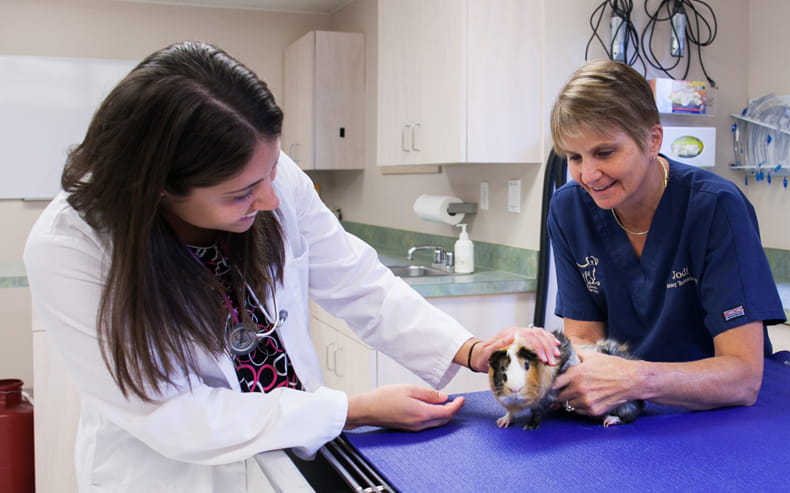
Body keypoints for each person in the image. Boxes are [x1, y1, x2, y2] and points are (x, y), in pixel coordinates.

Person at [23, 41, 560, 492]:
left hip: (294, 446)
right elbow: (171, 415)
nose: (270, 201)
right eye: (241, 194)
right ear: (160, 188)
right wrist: (352, 409)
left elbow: (360, 282)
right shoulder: (74, 247)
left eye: (271, 173)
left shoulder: (269, 178)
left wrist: (470, 350)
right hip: (171, 473)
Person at [546, 60, 786, 417]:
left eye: (605, 152)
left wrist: (635, 379)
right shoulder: (569, 209)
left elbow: (743, 377)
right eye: (575, 157)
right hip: (626, 416)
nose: (588, 174)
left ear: (652, 139)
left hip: (717, 415)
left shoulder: (715, 208)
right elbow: (582, 339)